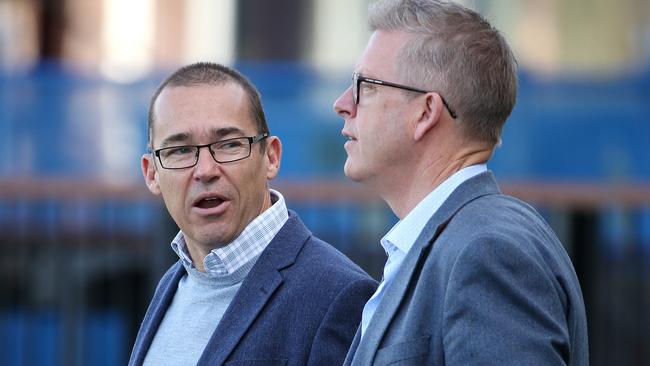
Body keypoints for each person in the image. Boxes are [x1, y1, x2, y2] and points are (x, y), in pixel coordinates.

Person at [333, 0, 589, 365]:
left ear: (425, 113)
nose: (343, 103)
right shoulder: (464, 240)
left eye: (365, 86)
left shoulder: (488, 252)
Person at [129, 62, 377, 366]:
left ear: (271, 157)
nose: (205, 170)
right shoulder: (175, 282)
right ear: (152, 174)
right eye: (179, 151)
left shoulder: (337, 296)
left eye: (230, 145)